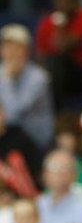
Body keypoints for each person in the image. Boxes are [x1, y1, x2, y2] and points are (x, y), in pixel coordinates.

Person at [0, 23, 54, 151]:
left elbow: (14, 113)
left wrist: (6, 80)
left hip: (35, 140)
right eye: (7, 47)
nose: (11, 52)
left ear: (26, 51)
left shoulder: (38, 78)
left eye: (17, 48)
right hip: (8, 135)